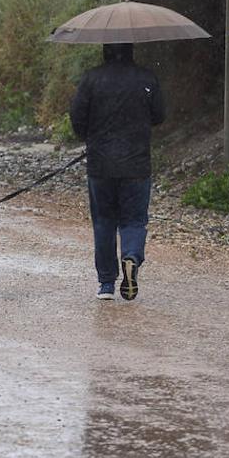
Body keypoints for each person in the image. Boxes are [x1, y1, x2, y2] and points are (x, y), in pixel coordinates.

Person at [69, 43, 164, 301]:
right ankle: (131, 257)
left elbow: (77, 119)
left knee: (104, 221)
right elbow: (159, 115)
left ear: (105, 50)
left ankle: (106, 284)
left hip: (100, 164)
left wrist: (92, 135)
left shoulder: (91, 79)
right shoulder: (146, 78)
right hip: (137, 164)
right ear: (131, 50)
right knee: (134, 220)